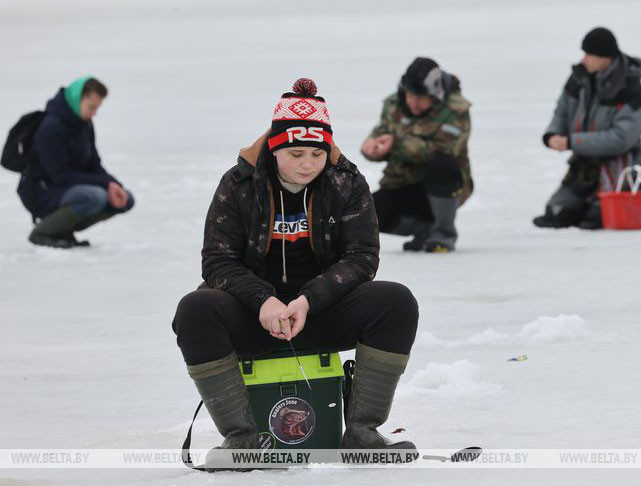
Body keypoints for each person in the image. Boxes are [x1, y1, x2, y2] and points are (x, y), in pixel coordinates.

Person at [171, 79, 419, 469]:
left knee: (395, 301)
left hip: (319, 313)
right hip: (255, 317)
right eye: (297, 153)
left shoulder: (346, 182)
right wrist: (263, 300)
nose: (308, 164)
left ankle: (361, 435)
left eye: (317, 154)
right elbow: (217, 260)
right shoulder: (237, 184)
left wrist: (308, 300)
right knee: (195, 310)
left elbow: (361, 257)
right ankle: (243, 440)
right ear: (274, 147)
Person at [534, 28, 641, 230]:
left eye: (590, 55)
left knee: (597, 218)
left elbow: (620, 139)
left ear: (606, 58)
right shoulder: (579, 79)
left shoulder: (631, 92)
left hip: (620, 164)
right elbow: (562, 111)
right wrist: (553, 134)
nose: (584, 59)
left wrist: (573, 141)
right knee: (556, 214)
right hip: (585, 163)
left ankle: (616, 196)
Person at [361, 57, 473, 253]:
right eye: (410, 95)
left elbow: (444, 150)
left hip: (446, 187)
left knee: (442, 165)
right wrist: (372, 148)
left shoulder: (456, 109)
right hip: (403, 182)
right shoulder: (393, 103)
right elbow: (382, 133)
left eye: (420, 97)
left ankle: (443, 234)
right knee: (368, 215)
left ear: (435, 94)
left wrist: (396, 143)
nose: (413, 102)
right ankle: (425, 231)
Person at [18, 76, 134, 248]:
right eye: (91, 107)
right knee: (95, 197)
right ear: (77, 98)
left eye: (97, 108)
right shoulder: (51, 126)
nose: (95, 113)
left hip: (70, 190)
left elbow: (93, 164)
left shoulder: (84, 125)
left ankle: (62, 231)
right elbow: (60, 176)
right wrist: (105, 184)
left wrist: (113, 184)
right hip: (44, 192)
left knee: (125, 199)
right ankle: (43, 232)